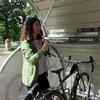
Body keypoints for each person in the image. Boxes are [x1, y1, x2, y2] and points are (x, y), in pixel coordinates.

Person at [20, 16, 50, 98]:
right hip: (33, 78)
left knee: (48, 96)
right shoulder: (25, 43)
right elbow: (31, 60)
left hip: (43, 75)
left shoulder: (40, 39)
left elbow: (43, 56)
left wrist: (46, 49)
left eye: (39, 25)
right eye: (36, 24)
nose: (39, 27)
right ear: (30, 26)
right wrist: (43, 49)